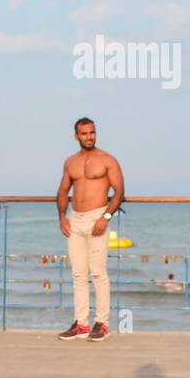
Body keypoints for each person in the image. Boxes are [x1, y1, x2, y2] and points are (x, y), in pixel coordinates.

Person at [55, 118, 124, 342]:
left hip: (97, 217)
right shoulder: (70, 162)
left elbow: (119, 192)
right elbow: (63, 192)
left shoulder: (107, 160)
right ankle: (81, 324)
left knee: (98, 272)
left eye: (92, 133)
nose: (89, 137)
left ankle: (102, 323)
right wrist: (62, 218)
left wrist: (105, 217)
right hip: (76, 220)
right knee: (78, 274)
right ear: (76, 136)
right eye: (84, 133)